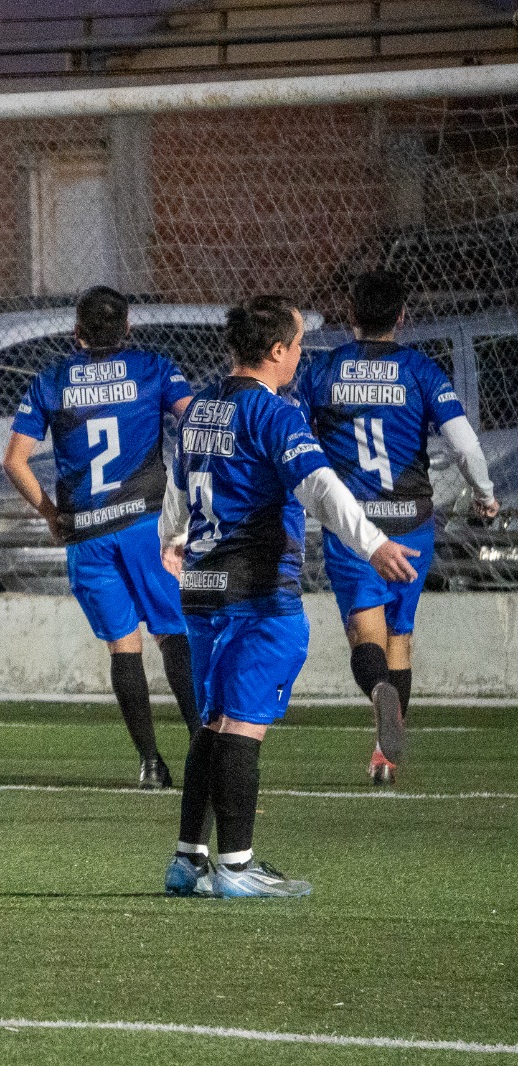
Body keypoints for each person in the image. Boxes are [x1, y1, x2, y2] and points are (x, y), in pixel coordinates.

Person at [160, 295, 419, 899]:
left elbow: (177, 483)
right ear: (277, 351)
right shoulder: (272, 413)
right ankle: (237, 867)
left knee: (213, 723)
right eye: (299, 344)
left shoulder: (200, 409)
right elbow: (320, 487)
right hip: (256, 596)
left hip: (200, 588)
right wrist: (374, 543)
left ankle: (188, 861)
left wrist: (172, 540)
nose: (301, 356)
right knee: (242, 727)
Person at [293, 271, 498, 785]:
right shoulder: (421, 371)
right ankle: (384, 755)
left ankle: (377, 691)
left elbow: (294, 437)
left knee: (367, 634)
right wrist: (484, 495)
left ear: (350, 314)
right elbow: (466, 445)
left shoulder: (322, 370)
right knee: (400, 636)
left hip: (355, 525)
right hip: (412, 522)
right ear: (402, 316)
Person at [3, 286, 201, 789]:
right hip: (146, 525)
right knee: (174, 633)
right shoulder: (154, 367)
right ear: (128, 328)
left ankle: (151, 764)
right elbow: (196, 422)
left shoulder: (51, 381)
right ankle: (205, 743)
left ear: (77, 333)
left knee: (122, 646)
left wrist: (50, 512)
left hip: (88, 533)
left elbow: (15, 461)